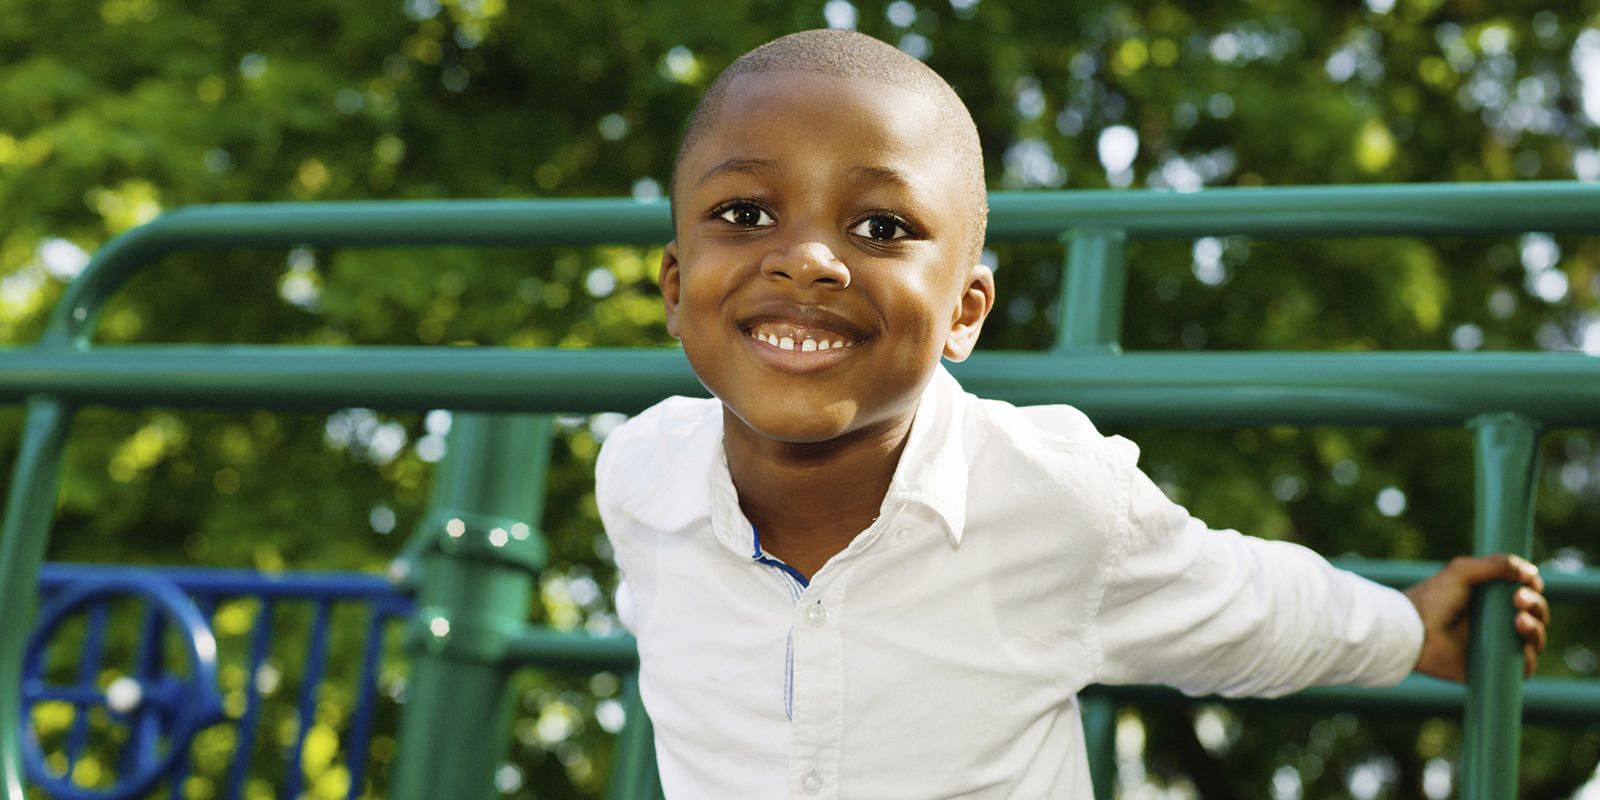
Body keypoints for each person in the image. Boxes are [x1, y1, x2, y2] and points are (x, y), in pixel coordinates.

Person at [594, 28, 1550, 798]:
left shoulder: (1055, 498)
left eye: (882, 227)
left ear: (965, 313)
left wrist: (1408, 629)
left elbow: (1245, 602)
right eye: (746, 214)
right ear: (676, 288)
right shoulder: (638, 478)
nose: (807, 259)